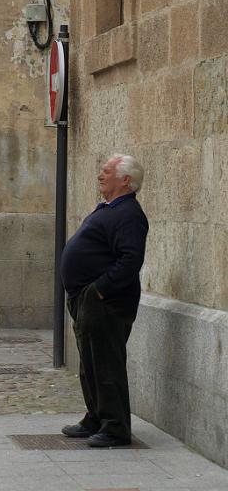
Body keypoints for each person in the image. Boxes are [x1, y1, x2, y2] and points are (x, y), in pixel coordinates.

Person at [60, 154, 148, 448]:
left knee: (107, 364)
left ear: (125, 180)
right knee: (90, 363)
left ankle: (116, 428)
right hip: (87, 298)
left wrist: (99, 290)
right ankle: (96, 417)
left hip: (106, 301)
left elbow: (130, 259)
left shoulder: (129, 214)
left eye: (106, 171)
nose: (100, 175)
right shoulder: (111, 208)